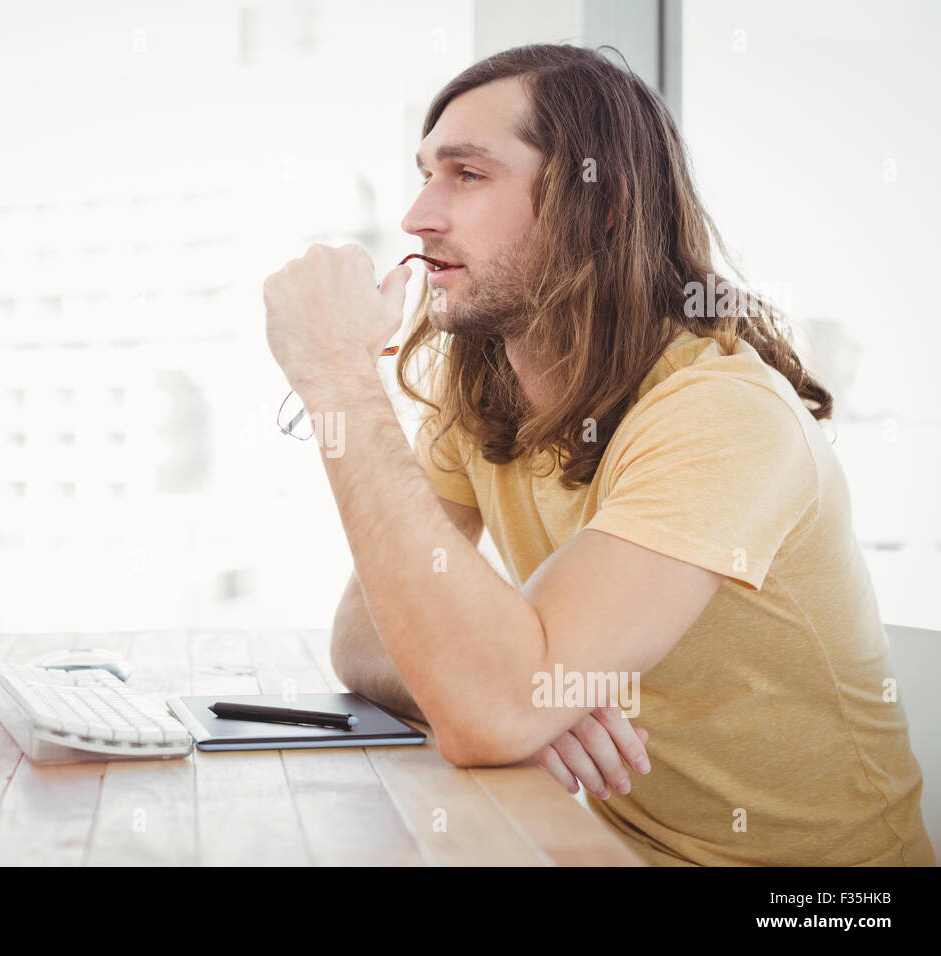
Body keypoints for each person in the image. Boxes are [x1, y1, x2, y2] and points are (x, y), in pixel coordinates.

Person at [262, 44, 933, 866]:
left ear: (602, 204)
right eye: (427, 173)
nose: (418, 216)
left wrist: (338, 378)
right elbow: (363, 637)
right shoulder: (481, 384)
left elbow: (493, 706)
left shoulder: (721, 414)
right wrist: (530, 694)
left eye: (467, 175)